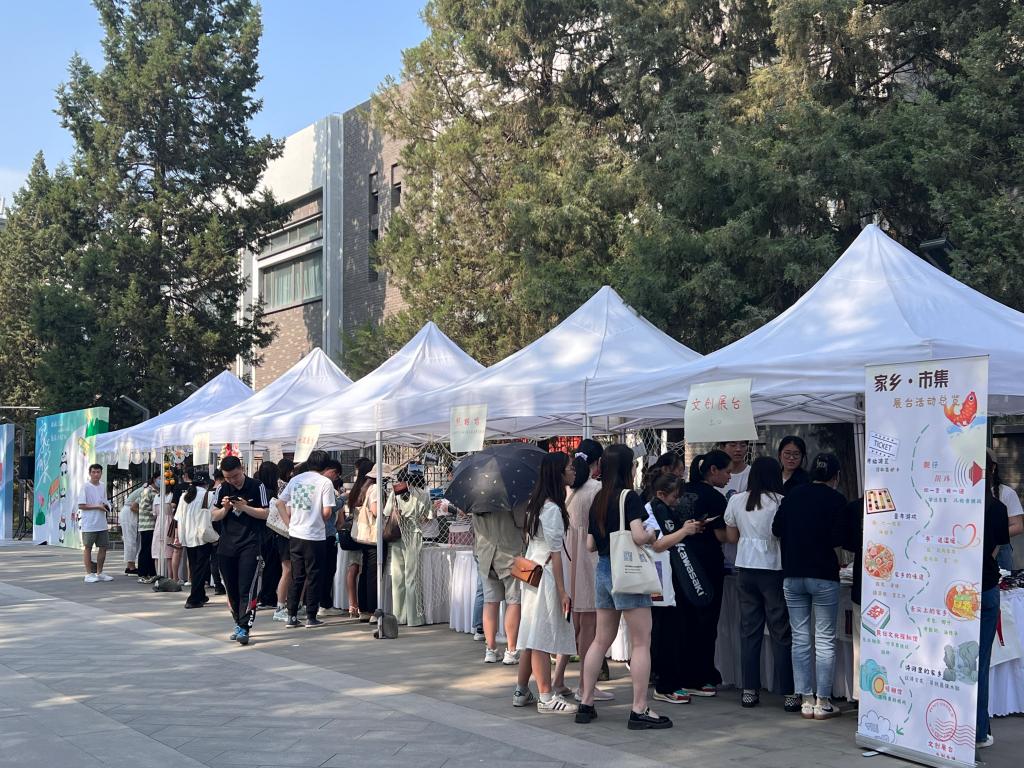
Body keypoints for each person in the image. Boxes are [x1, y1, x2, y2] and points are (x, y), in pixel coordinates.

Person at [576, 443, 671, 730]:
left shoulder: (598, 498)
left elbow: (590, 545)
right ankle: (639, 708)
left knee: (600, 640)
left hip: (604, 571)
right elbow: (639, 537)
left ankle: (586, 702)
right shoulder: (629, 497)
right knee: (641, 642)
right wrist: (652, 533)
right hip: (628, 572)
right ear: (627, 468)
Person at [772, 452, 848, 720]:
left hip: (792, 573)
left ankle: (805, 700)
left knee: (800, 638)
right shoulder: (837, 500)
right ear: (836, 476)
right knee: (824, 639)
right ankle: (823, 702)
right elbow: (840, 537)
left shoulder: (792, 495)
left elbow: (776, 529)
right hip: (824, 574)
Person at [724, 456, 797, 710]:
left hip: (745, 568)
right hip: (773, 568)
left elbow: (731, 537)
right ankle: (788, 692)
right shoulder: (782, 501)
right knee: (780, 631)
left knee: (749, 631)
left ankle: (749, 690)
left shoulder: (736, 500)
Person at [515, 452, 579, 713]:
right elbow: (556, 553)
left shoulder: (536, 503)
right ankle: (545, 696)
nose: (573, 471)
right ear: (558, 474)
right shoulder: (551, 508)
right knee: (541, 634)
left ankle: (522, 690)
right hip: (545, 575)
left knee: (532, 633)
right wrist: (563, 591)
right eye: (570, 467)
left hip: (532, 571)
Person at [677, 450, 730, 696]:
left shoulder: (681, 491)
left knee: (684, 619)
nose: (729, 477)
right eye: (727, 471)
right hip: (707, 564)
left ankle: (682, 674)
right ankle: (702, 676)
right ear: (713, 470)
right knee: (706, 620)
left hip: (681, 561)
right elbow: (722, 535)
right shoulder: (716, 498)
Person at [564, 439, 613, 702]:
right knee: (590, 625)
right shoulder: (596, 488)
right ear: (599, 462)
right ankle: (586, 686)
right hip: (589, 555)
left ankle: (575, 682)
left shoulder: (568, 487)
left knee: (579, 623)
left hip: (570, 554)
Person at [647, 473, 703, 705]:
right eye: (674, 496)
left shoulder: (664, 509)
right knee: (665, 631)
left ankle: (669, 680)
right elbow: (659, 544)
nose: (677, 501)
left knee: (672, 629)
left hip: (669, 579)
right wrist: (684, 532)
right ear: (661, 494)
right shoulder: (652, 510)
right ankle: (665, 684)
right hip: (659, 579)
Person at [211, 455, 270, 646]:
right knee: (231, 588)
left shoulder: (257, 486)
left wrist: (244, 507)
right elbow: (214, 516)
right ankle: (237, 623)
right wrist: (226, 508)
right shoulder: (222, 488)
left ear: (242, 469)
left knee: (247, 587)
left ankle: (245, 626)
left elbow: (266, 513)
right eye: (228, 478)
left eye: (235, 476)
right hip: (226, 545)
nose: (233, 481)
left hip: (250, 544)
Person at [277, 450, 336, 628]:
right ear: (326, 465)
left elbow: (279, 502)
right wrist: (317, 519)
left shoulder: (296, 479)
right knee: (314, 576)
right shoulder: (325, 483)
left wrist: (289, 524)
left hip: (295, 534)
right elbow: (327, 512)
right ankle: (311, 616)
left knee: (297, 576)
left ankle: (291, 616)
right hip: (315, 536)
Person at [473, 469, 525, 666]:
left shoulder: (475, 499)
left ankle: (491, 649)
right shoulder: (510, 494)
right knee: (513, 601)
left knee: (490, 602)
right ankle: (511, 650)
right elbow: (521, 521)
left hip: (485, 553)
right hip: (509, 552)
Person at [977, 456, 1012, 749]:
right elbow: (996, 547)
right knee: (980, 661)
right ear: (991, 470)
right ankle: (977, 731)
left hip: (953, 590)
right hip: (986, 585)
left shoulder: (949, 505)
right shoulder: (997, 508)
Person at [388, 468, 432, 626]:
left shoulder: (394, 493)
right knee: (411, 577)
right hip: (413, 535)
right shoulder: (423, 494)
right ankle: (414, 617)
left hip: (396, 535)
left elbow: (387, 513)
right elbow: (427, 517)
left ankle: (399, 616)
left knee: (398, 577)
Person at [174, 468, 214, 609]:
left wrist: (178, 537)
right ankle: (194, 598)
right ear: (206, 483)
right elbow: (213, 515)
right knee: (201, 568)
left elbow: (178, 518)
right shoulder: (209, 495)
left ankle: (200, 595)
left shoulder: (184, 496)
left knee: (194, 565)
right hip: (202, 535)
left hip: (187, 536)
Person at [344, 457, 374, 618]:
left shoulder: (356, 489)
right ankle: (355, 605)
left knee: (354, 567)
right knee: (360, 568)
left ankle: (352, 604)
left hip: (355, 532)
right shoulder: (368, 489)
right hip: (365, 533)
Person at [987, 450, 1024, 571]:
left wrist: (990, 537)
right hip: (971, 549)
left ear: (993, 467)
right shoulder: (964, 494)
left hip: (1000, 551)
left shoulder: (1007, 493)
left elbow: (1018, 526)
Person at [78, 463, 112, 582]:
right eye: (93, 472)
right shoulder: (85, 487)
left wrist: (106, 506)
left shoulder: (102, 485)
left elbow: (104, 501)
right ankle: (88, 574)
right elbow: (81, 505)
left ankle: (99, 572)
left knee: (103, 547)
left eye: (98, 472)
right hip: (89, 523)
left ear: (101, 473)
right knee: (88, 547)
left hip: (101, 522)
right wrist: (97, 506)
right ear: (90, 473)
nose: (96, 474)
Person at [319, 458, 344, 615]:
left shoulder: (308, 482)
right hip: (326, 533)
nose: (336, 478)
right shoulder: (326, 484)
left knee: (317, 570)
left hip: (313, 533)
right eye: (337, 474)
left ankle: (313, 604)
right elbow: (331, 508)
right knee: (327, 569)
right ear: (332, 471)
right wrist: (343, 498)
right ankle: (324, 604)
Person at [258, 462, 283, 610]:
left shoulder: (259, 490)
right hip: (270, 534)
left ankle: (265, 595)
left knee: (267, 567)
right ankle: (268, 596)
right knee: (272, 567)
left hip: (261, 534)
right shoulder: (271, 493)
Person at [136, 474, 159, 584]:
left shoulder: (157, 491)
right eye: (160, 479)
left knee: (151, 550)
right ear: (154, 479)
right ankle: (142, 574)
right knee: (145, 549)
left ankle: (151, 573)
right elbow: (143, 507)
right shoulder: (147, 491)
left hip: (153, 525)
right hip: (147, 525)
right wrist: (156, 513)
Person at [209, 469, 226, 595]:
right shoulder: (221, 491)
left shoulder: (207, 493)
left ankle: (216, 584)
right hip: (221, 527)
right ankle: (222, 584)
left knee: (213, 558)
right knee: (222, 558)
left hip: (210, 528)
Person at [119, 485, 143, 575]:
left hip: (131, 512)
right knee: (130, 541)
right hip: (129, 513)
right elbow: (133, 507)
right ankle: (131, 567)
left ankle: (130, 565)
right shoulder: (146, 490)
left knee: (134, 541)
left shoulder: (146, 489)